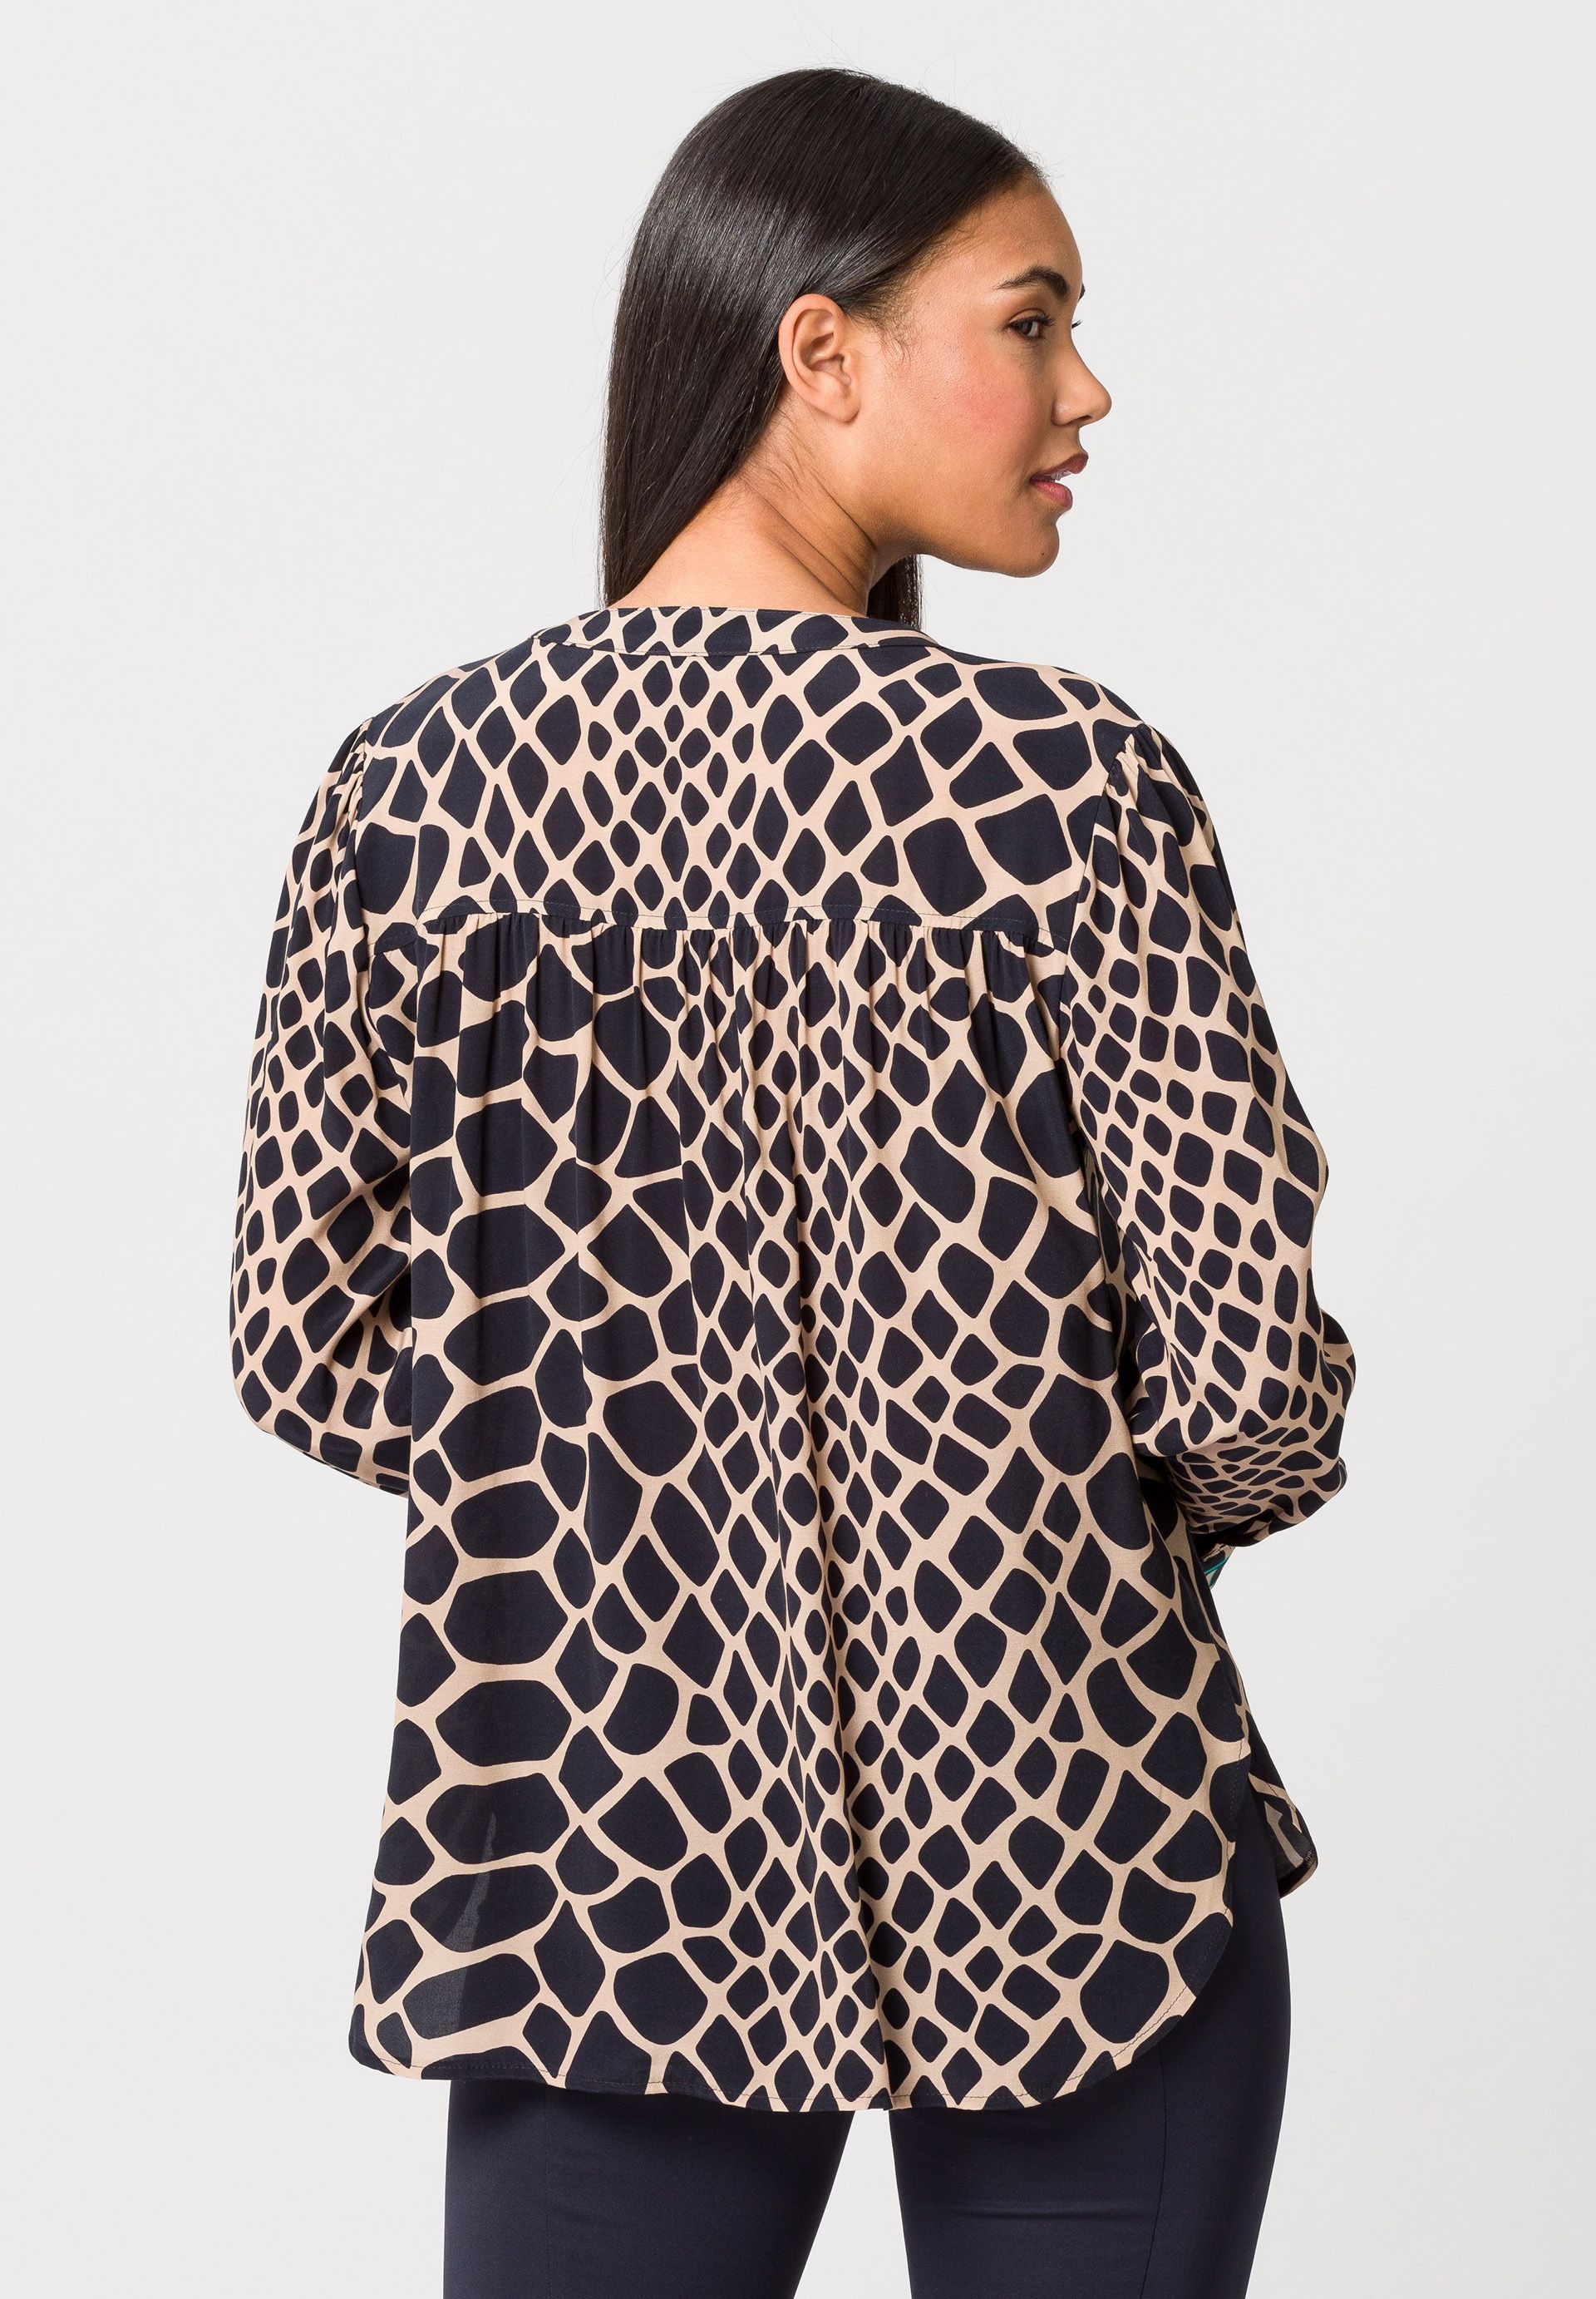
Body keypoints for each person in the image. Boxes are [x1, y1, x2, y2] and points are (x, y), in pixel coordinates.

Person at [229, 64, 1357, 2299]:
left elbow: (304, 1341)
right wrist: (1020, 1516)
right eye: (1032, 320)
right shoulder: (1065, 790)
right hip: (1078, 1848)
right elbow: (1252, 1389)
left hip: (608, 1853)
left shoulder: (412, 794)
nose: (1086, 387)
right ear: (817, 349)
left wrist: (626, 1509)